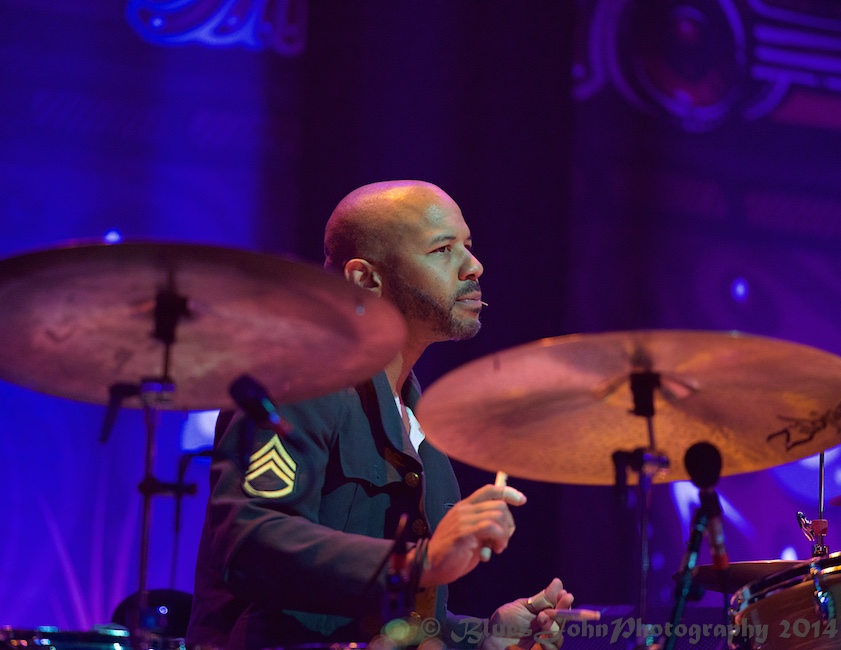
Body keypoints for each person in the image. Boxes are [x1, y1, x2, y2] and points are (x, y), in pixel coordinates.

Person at [186, 180, 574, 650]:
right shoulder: (300, 378)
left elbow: (399, 623)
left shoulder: (419, 423)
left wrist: (486, 638)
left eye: (468, 247)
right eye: (443, 249)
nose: (474, 267)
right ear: (365, 279)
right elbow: (250, 541)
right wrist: (415, 564)